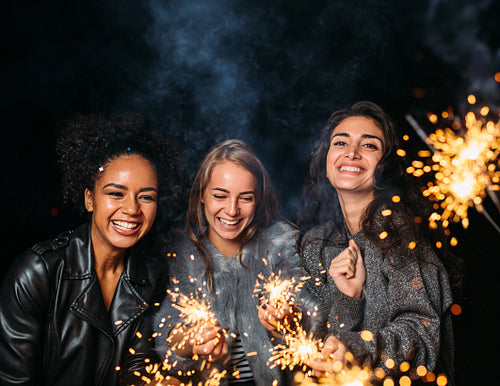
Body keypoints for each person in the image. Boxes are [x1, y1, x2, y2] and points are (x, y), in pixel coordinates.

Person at [0, 114, 181, 385]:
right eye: (115, 193)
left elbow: (137, 365)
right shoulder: (38, 272)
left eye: (146, 197)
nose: (132, 209)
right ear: (88, 199)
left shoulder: (152, 275)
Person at [125, 139, 317, 386]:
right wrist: (192, 340)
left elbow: (307, 315)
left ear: (258, 199)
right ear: (202, 194)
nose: (232, 210)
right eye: (220, 195)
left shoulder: (279, 246)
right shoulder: (181, 254)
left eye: (245, 198)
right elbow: (169, 328)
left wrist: (287, 320)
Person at [298, 101, 461, 384]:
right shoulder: (316, 244)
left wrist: (356, 350)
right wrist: (349, 300)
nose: (352, 152)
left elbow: (421, 337)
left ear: (385, 166)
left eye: (369, 146)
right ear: (326, 162)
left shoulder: (402, 236)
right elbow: (317, 341)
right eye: (340, 143)